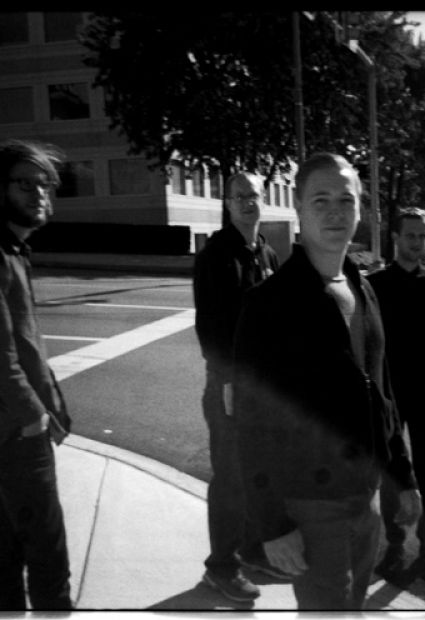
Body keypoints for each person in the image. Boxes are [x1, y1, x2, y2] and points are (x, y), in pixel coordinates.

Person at [232, 152, 421, 610]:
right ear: (298, 208)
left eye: (346, 199)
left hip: (368, 496)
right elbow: (249, 424)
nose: (335, 211)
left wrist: (403, 473)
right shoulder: (269, 303)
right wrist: (273, 526)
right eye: (321, 200)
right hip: (311, 505)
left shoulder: (363, 287)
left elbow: (383, 392)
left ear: (360, 208)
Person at [0, 139, 73, 610]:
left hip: (9, 431)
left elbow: (24, 347)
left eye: (46, 185)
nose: (40, 193)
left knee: (7, 547)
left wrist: (51, 408)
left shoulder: (13, 251)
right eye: (28, 184)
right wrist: (33, 416)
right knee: (48, 557)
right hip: (13, 436)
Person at [192, 171, 282, 602]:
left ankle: (250, 551)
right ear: (226, 203)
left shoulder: (265, 252)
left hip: (260, 388)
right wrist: (227, 382)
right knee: (229, 478)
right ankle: (220, 567)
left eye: (254, 195)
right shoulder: (216, 255)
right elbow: (209, 329)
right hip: (229, 386)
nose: (248, 202)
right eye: (239, 196)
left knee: (254, 474)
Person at [367, 207, 425, 583]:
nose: (417, 242)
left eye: (423, 236)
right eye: (410, 235)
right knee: (393, 474)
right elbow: (369, 344)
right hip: (388, 397)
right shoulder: (376, 284)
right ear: (396, 238)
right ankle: (395, 546)